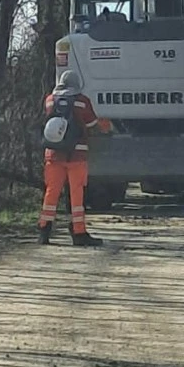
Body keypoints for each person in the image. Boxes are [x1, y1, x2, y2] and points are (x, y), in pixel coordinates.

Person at [38, 70, 106, 247]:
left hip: (53, 153)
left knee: (51, 191)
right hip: (77, 154)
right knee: (77, 193)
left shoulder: (49, 100)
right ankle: (79, 232)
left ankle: (44, 230)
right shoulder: (82, 102)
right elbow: (92, 124)